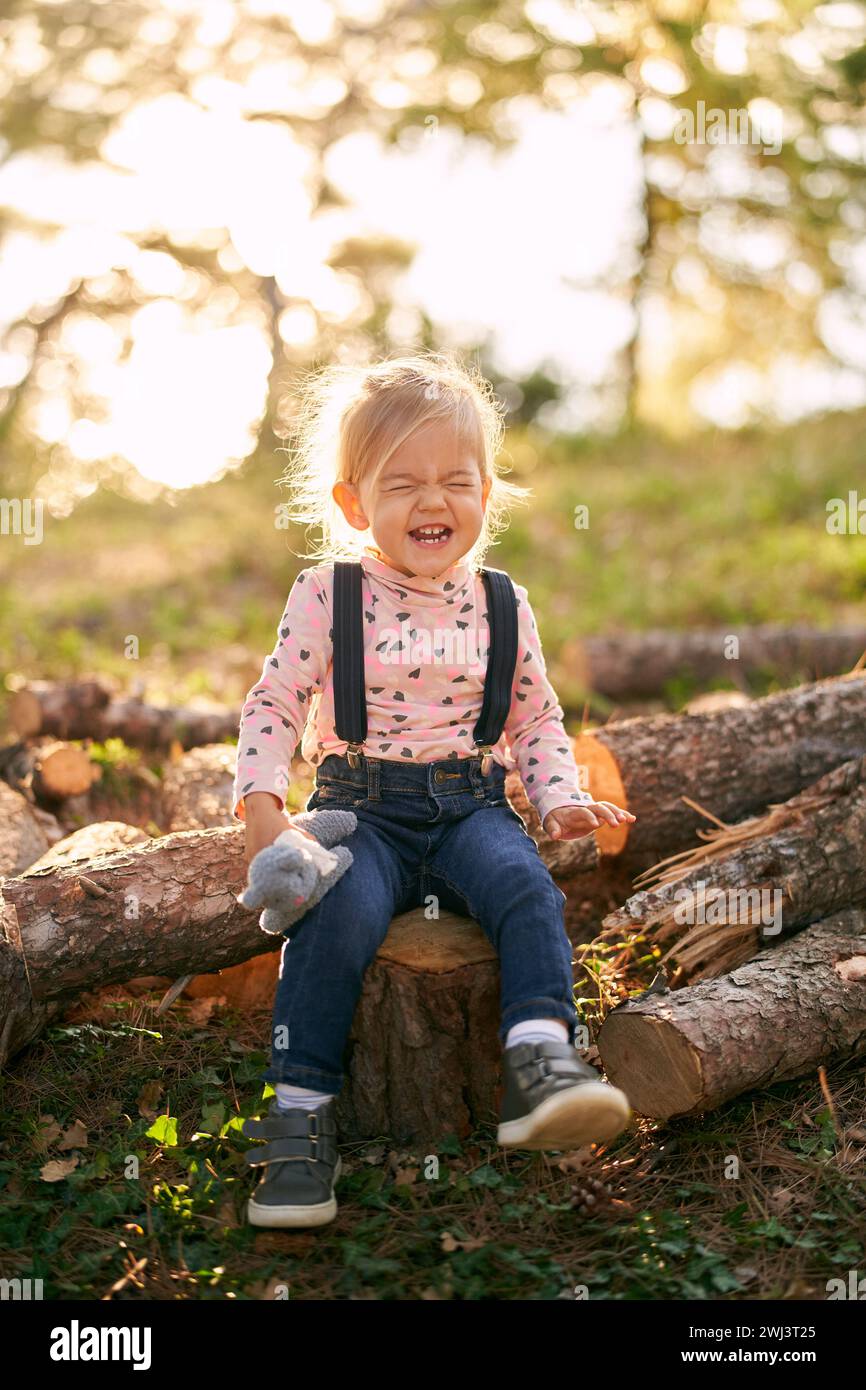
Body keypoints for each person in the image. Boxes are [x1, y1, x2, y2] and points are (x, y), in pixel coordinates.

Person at [232, 351, 636, 1228]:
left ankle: (539, 1061)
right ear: (353, 503)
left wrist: (558, 795)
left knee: (527, 889)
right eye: (403, 483)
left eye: (456, 480)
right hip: (361, 809)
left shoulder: (501, 602)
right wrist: (264, 808)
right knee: (332, 920)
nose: (432, 503)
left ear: (485, 493)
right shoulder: (327, 593)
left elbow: (535, 718)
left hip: (470, 807)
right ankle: (298, 1127)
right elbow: (276, 699)